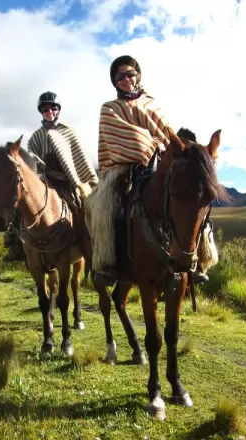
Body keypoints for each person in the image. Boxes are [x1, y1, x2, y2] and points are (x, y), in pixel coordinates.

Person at [84, 55, 172, 285]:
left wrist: (166, 147)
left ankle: (197, 259)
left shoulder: (151, 103)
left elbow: (166, 130)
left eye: (130, 74)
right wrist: (146, 143)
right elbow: (122, 137)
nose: (125, 79)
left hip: (157, 161)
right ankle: (105, 264)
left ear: (137, 76)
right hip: (121, 167)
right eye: (120, 76)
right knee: (100, 204)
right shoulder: (109, 108)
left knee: (188, 195)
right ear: (114, 81)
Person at [3, 91, 99, 262]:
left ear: (58, 110)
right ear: (41, 111)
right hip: (46, 180)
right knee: (21, 207)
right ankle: (15, 244)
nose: (49, 111)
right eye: (45, 108)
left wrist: (72, 175)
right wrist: (41, 165)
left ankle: (88, 245)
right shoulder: (35, 137)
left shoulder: (69, 131)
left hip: (68, 181)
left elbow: (79, 158)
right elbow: (31, 160)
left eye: (53, 108)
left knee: (81, 208)